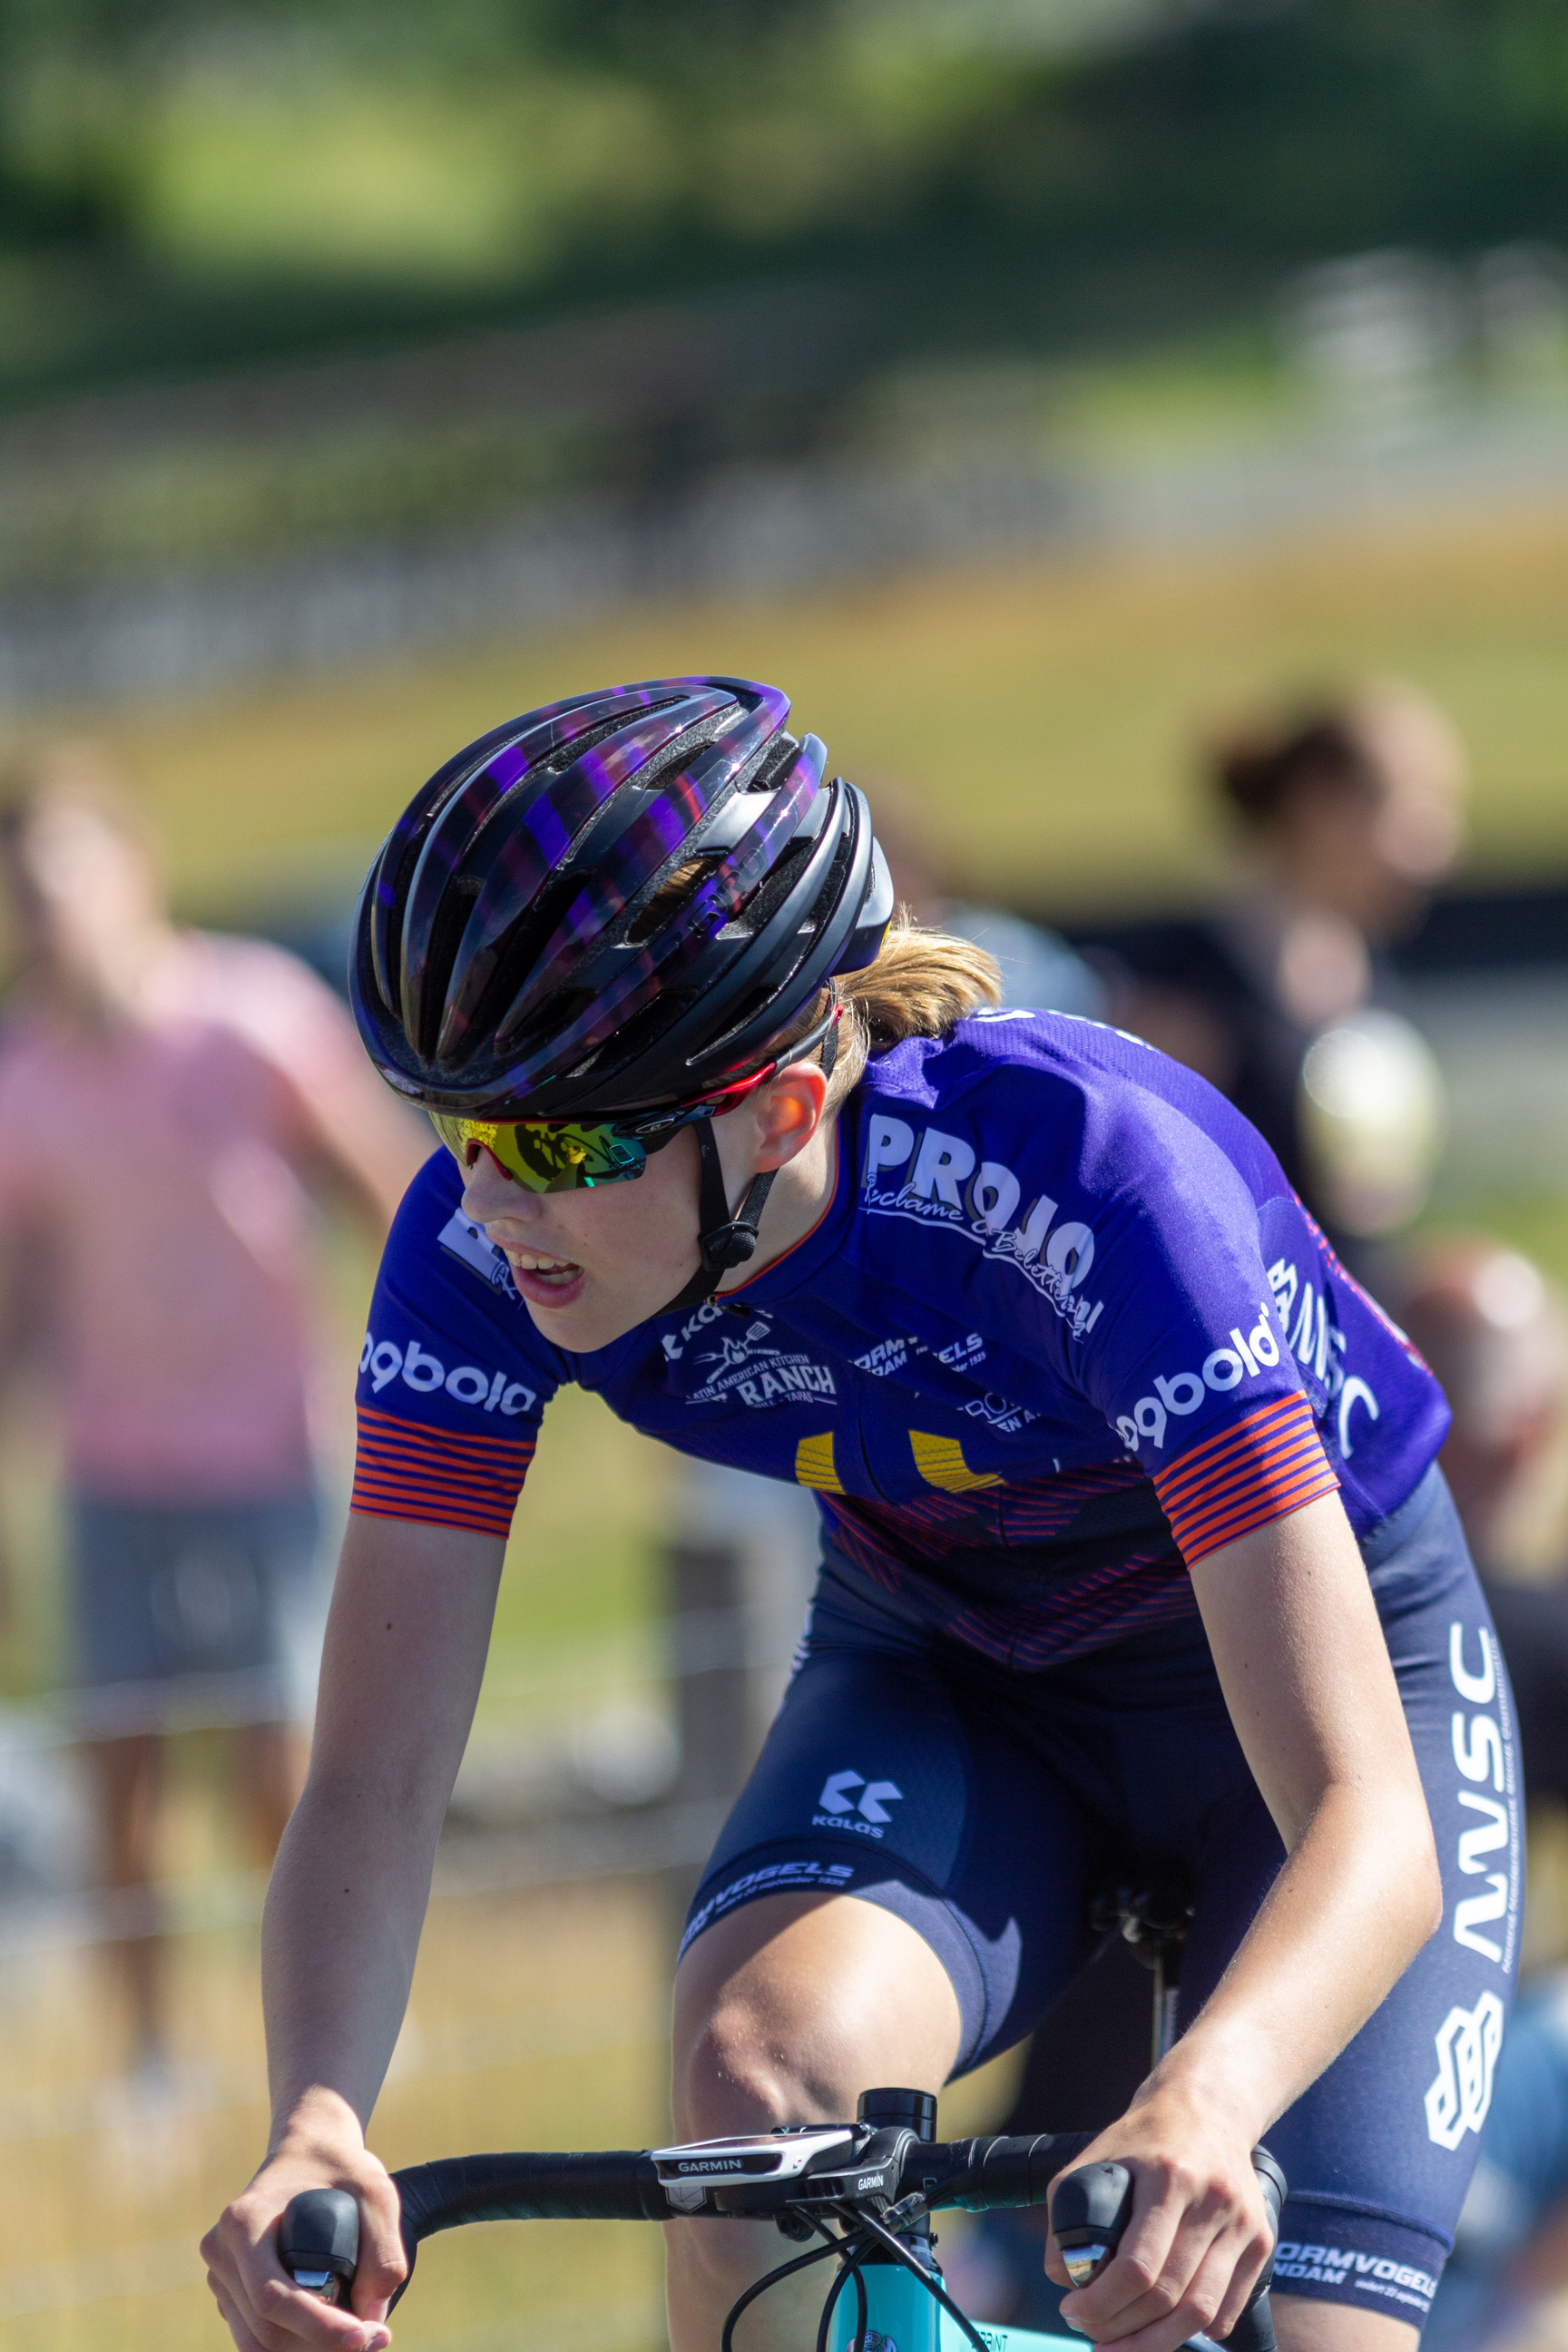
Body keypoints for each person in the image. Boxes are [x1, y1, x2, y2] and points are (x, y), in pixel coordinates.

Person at [202, 676, 1508, 2352]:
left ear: (779, 1107)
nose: (488, 1199)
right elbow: (376, 1772)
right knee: (756, 2092)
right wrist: (313, 2116)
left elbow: (1364, 1816)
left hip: (1329, 1699)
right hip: (958, 1668)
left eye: (553, 1135)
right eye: (453, 1125)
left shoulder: (1089, 1180)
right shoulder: (482, 1255)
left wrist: (1208, 2096)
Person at [0, 746, 429, 2083]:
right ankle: (147, 2057)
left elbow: (391, 1188)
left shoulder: (254, 1014)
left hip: (264, 1447)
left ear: (132, 874)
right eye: (22, 895)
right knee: (115, 1775)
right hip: (113, 1465)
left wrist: (437, 1371)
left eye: (60, 884)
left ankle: (338, 2021)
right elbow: (22, 1288)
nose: (45, 916)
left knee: (278, 1764)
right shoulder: (26, 1078)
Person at [1100, 683, 1465, 1269]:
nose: (1441, 848)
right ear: (1320, 808)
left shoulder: (1367, 971)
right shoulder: (1185, 992)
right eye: (1418, 811)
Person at [1394, 1237, 1568, 2351]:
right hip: (1426, 2160)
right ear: (1529, 1432)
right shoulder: (1529, 1633)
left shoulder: (1235, 1595)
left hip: (1085, 2176)